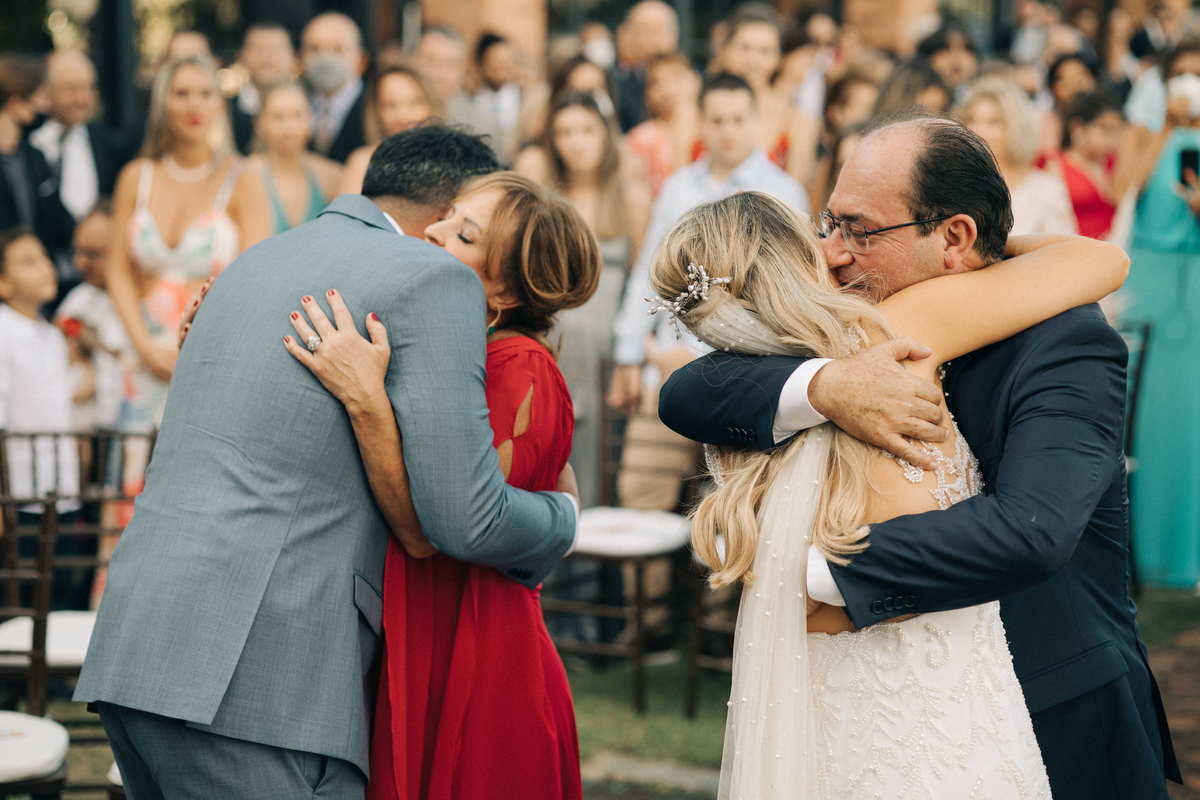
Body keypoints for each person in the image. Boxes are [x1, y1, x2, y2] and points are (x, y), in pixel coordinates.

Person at [658, 112, 1180, 800]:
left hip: (1054, 701)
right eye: (830, 223)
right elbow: (690, 392)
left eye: (860, 230)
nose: (836, 252)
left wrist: (817, 577)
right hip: (889, 721)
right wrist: (826, 386)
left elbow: (1035, 528)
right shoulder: (841, 334)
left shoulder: (1064, 345)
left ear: (955, 236)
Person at [75, 125, 582, 799]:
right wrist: (564, 518)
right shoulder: (431, 280)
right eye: (457, 221)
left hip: (138, 640)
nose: (447, 238)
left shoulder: (256, 259)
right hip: (255, 679)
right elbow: (467, 520)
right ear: (443, 209)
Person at [269, 170, 597, 800]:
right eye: (447, 215)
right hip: (422, 626)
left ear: (502, 287)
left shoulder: (518, 366)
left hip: (477, 653)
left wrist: (368, 399)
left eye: (463, 234)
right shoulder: (454, 351)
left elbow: (436, 530)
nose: (433, 230)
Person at [105, 55, 271, 424]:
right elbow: (116, 270)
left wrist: (196, 350)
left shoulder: (243, 179)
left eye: (205, 93)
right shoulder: (136, 177)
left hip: (214, 355)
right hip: (139, 353)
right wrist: (145, 348)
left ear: (219, 104)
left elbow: (255, 280)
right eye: (181, 93)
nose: (194, 104)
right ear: (162, 102)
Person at [516, 90, 651, 508]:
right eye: (565, 131)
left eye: (587, 130)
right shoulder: (543, 199)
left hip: (610, 342)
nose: (577, 141)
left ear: (606, 134)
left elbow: (644, 282)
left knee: (606, 455)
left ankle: (598, 562)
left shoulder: (630, 196)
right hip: (555, 340)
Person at [1109, 39, 1200, 589]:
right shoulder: (1146, 129)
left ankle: (1187, 553)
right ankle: (1139, 552)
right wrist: (1169, 125)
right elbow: (1123, 188)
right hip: (1148, 277)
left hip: (1196, 279)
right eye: (1182, 74)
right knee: (1141, 415)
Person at [0, 227, 83, 604]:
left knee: (60, 592)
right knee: (21, 598)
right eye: (28, 262)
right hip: (20, 495)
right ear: (3, 283)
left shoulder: (51, 335)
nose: (47, 267)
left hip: (60, 492)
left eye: (45, 258)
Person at [715, 3, 819, 185]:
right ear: (725, 50)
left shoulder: (797, 119)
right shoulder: (695, 110)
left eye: (765, 51)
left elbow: (797, 193)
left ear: (779, 58)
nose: (753, 61)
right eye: (744, 48)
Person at [959, 76, 1077, 235]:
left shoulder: (1046, 190)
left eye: (993, 122)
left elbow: (1065, 252)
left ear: (1015, 127)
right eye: (971, 120)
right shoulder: (955, 185)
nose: (978, 131)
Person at [29, 51, 134, 225]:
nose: (83, 99)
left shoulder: (113, 146)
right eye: (72, 89)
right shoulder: (25, 144)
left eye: (90, 88)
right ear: (47, 91)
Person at [0, 56, 74, 287]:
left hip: (34, 284)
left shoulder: (34, 157)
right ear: (15, 103)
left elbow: (58, 220)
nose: (45, 106)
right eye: (38, 98)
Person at [246, 81, 341, 234]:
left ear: (311, 118)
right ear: (259, 123)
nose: (289, 128)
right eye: (278, 117)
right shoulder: (245, 174)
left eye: (298, 115)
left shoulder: (331, 176)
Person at [337, 66, 439, 195]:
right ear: (377, 113)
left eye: (414, 103)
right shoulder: (363, 163)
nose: (403, 115)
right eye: (391, 105)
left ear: (431, 104)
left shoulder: (451, 160)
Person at [412, 25, 503, 153]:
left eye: (450, 64)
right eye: (430, 60)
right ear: (413, 61)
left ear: (463, 70)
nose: (439, 74)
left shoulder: (483, 126)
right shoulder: (395, 116)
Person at [624, 52, 701, 198]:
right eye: (656, 82)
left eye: (676, 77)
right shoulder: (640, 139)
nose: (668, 89)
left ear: (696, 79)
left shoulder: (720, 126)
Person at [302, 12, 369, 163]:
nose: (325, 58)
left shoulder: (375, 105)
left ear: (361, 60)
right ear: (301, 56)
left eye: (337, 49)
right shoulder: (294, 100)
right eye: (315, 49)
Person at [1056, 89, 1123, 239]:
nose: (1112, 139)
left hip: (1111, 250)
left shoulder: (1114, 163)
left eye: (1117, 131)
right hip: (1071, 251)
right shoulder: (1054, 164)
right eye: (1105, 129)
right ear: (1078, 127)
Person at [230, 22, 298, 154]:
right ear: (241, 55)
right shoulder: (225, 110)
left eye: (275, 49)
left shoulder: (312, 108)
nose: (266, 57)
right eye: (258, 48)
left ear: (293, 57)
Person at [614, 0, 680, 132]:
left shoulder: (695, 80)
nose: (656, 39)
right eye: (647, 30)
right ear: (630, 35)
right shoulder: (617, 86)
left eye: (662, 29)